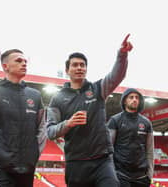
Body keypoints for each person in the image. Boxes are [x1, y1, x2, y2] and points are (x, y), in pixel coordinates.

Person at [46, 34, 133, 187]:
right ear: (67, 70)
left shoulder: (97, 89)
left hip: (102, 159)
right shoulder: (57, 99)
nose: (79, 68)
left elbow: (117, 76)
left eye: (82, 65)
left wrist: (122, 55)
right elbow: (51, 131)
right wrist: (68, 123)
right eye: (75, 65)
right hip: (75, 162)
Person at [0, 49, 46, 187]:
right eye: (18, 61)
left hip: (27, 166)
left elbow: (42, 127)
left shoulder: (35, 96)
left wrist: (34, 153)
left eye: (25, 61)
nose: (24, 64)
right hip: (0, 167)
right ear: (5, 66)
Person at [107, 88, 154, 187]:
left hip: (141, 177)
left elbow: (149, 150)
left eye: (137, 97)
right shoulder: (115, 120)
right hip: (120, 175)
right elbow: (108, 149)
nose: (134, 100)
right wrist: (111, 174)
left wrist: (149, 175)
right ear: (124, 101)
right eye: (131, 97)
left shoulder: (146, 122)